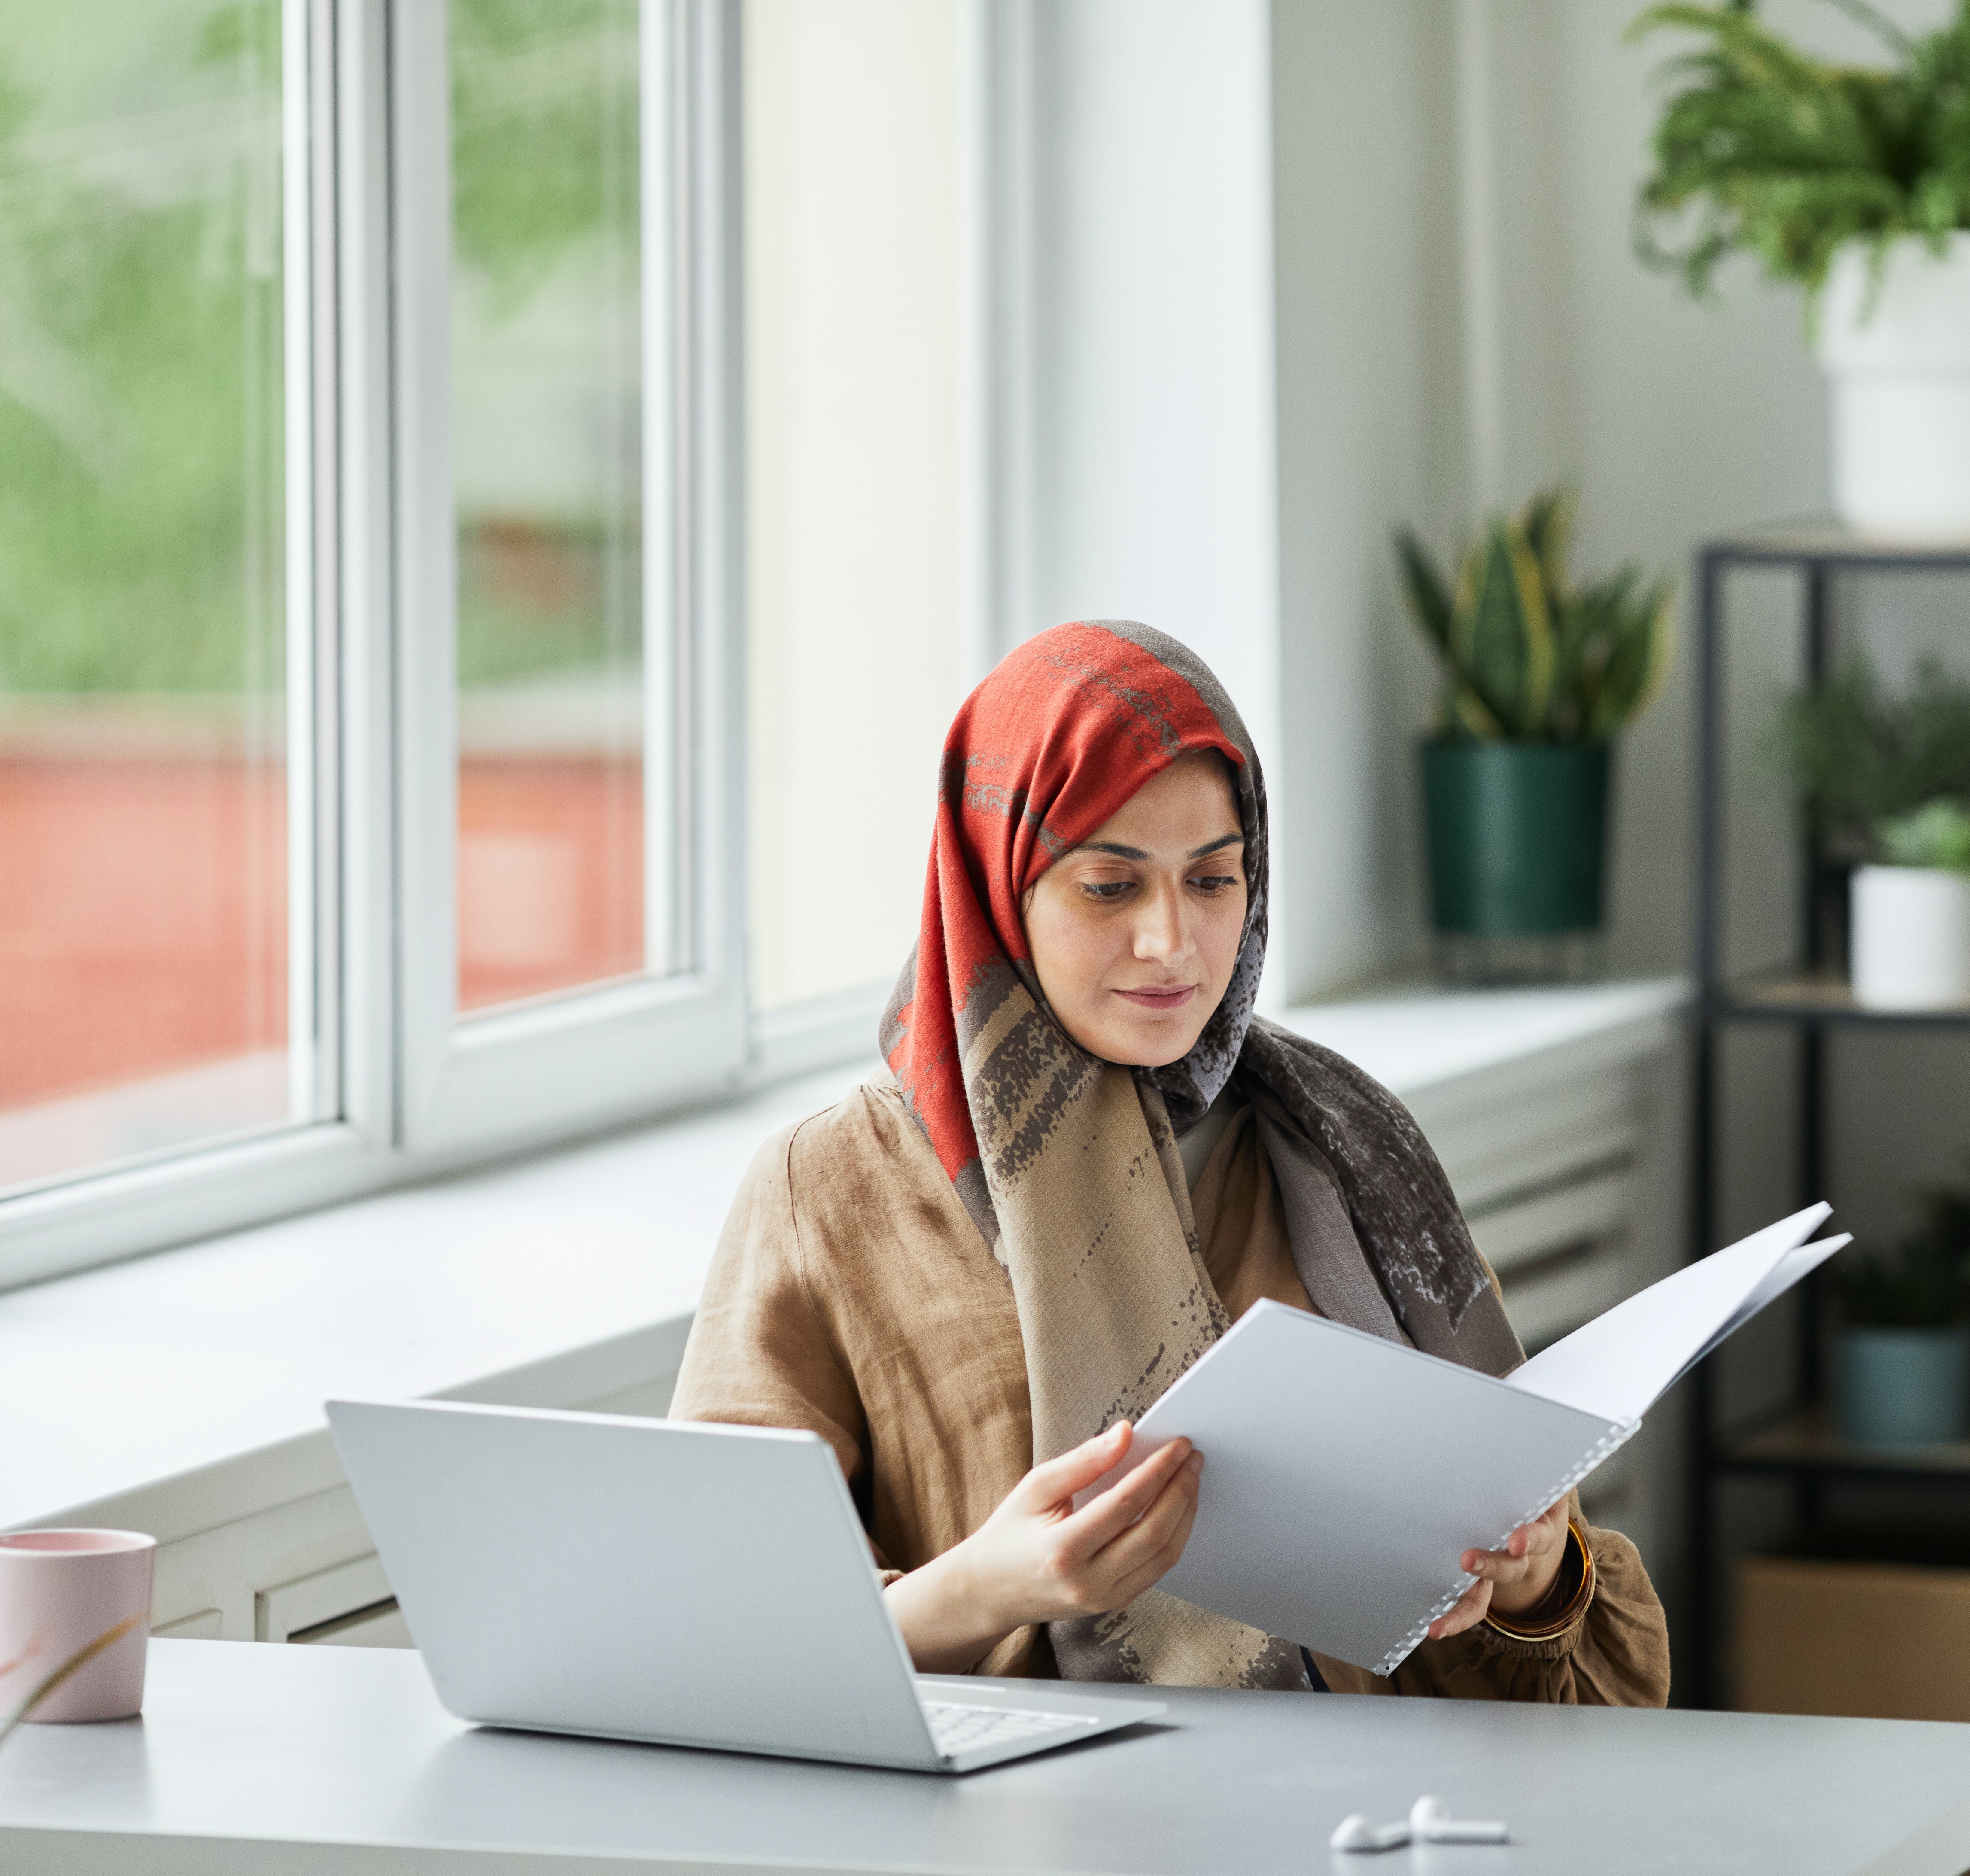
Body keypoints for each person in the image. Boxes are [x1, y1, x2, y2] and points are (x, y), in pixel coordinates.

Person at [672, 620, 1667, 1702]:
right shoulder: (828, 1192)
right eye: (1110, 886)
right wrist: (993, 1587)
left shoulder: (1334, 1142)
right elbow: (713, 1641)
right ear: (997, 888)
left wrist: (1527, 1577)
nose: (1173, 942)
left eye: (1212, 881)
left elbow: (1568, 1675)